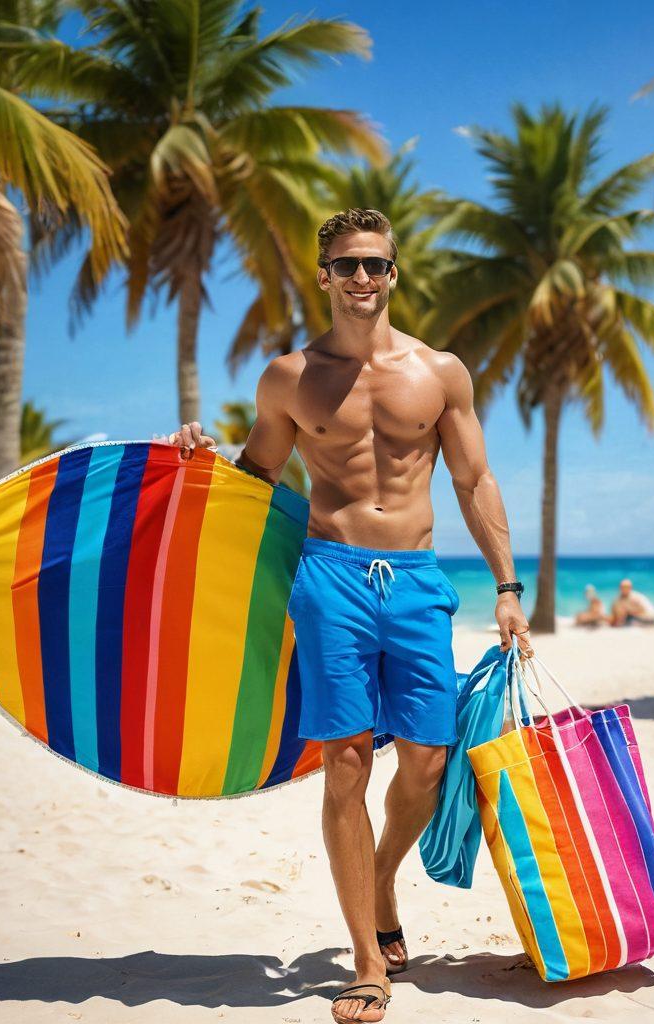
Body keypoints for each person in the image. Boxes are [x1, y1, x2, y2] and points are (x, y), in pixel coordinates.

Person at [165, 209, 531, 1024]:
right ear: (324, 276)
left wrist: (507, 588)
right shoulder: (289, 377)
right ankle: (367, 960)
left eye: (373, 263)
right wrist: (195, 459)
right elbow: (256, 479)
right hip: (329, 577)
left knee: (428, 763)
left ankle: (382, 877)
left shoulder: (441, 373)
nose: (361, 277)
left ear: (393, 274)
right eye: (346, 265)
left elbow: (474, 481)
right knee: (346, 763)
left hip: (417, 580)